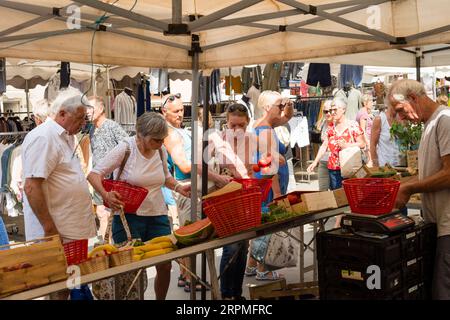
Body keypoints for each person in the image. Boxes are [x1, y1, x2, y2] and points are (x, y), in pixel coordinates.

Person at [87, 112, 190, 300]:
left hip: (158, 215)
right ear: (140, 135)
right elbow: (94, 174)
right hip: (128, 219)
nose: (159, 144)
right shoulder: (125, 148)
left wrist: (178, 187)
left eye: (162, 140)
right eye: (155, 140)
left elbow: (165, 177)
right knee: (131, 271)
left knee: (165, 265)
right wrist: (106, 194)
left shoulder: (160, 150)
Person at [22, 88, 97, 300]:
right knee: (57, 286)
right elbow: (31, 187)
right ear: (62, 113)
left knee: (67, 286)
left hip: (69, 229)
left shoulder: (66, 136)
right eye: (79, 118)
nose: (83, 124)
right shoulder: (44, 137)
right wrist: (49, 228)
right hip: (57, 231)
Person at [161, 93, 231, 292]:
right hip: (186, 188)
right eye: (176, 111)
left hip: (192, 187)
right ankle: (191, 278)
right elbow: (185, 165)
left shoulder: (179, 131)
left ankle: (186, 276)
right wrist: (216, 177)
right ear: (163, 112)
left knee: (189, 234)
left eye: (182, 110)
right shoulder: (170, 133)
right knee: (191, 236)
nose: (180, 114)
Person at [390, 79, 450, 300]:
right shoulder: (431, 123)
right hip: (437, 224)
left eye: (400, 110)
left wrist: (410, 187)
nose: (400, 117)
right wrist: (401, 184)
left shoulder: (444, 120)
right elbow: (431, 172)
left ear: (413, 98)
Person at [245, 90, 294, 281]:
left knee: (261, 224)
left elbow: (287, 117)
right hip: (268, 185)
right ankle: (263, 269)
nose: (282, 110)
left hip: (263, 184)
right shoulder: (265, 130)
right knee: (267, 227)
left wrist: (287, 104)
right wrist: (278, 192)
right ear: (267, 108)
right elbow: (268, 166)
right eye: (278, 106)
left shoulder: (264, 124)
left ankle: (251, 265)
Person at [209, 103, 256, 300]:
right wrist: (219, 177)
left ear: (247, 123)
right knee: (231, 246)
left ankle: (236, 293)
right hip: (223, 196)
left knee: (243, 245)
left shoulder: (251, 139)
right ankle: (226, 295)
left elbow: (251, 168)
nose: (237, 130)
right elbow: (199, 167)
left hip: (243, 196)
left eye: (241, 126)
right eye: (233, 125)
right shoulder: (216, 139)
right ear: (226, 123)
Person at [307, 97, 365, 227]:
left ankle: (338, 224)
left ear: (343, 110)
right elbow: (324, 146)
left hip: (349, 166)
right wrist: (315, 162)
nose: (332, 113)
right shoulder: (331, 128)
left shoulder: (352, 125)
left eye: (335, 109)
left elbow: (362, 143)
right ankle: (343, 221)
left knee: (349, 195)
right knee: (339, 196)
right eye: (330, 110)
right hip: (333, 167)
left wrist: (347, 145)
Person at [87, 96, 129, 238]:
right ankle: (105, 242)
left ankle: (108, 242)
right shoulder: (92, 129)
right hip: (99, 178)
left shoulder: (112, 126)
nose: (87, 112)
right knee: (100, 212)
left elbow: (127, 147)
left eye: (90, 108)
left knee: (108, 212)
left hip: (112, 179)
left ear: (101, 109)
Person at [306, 100, 333, 191]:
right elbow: (324, 145)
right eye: (325, 111)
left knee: (336, 192)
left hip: (336, 163)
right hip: (324, 161)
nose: (328, 113)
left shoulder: (338, 125)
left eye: (330, 110)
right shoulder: (323, 124)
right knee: (322, 191)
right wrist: (315, 162)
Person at [356, 94, 374, 166]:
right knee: (370, 163)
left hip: (366, 140)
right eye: (371, 101)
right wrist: (367, 142)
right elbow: (362, 129)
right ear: (365, 103)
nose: (372, 103)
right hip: (366, 141)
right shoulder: (364, 114)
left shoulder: (363, 112)